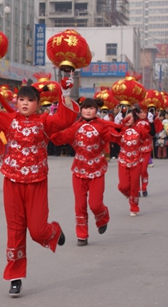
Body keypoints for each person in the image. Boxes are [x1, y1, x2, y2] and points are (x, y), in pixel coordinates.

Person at [0, 71, 78, 297]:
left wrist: (66, 92)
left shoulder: (45, 122)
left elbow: (66, 119)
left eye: (30, 100)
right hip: (12, 181)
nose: (25, 103)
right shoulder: (9, 120)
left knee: (38, 231)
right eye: (22, 99)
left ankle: (53, 231)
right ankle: (15, 276)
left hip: (37, 182)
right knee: (15, 230)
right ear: (16, 101)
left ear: (38, 105)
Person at [50, 98, 114, 246]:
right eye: (85, 108)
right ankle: (82, 235)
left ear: (96, 110)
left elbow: (114, 136)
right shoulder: (74, 127)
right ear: (80, 110)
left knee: (95, 204)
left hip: (97, 170)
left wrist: (126, 128)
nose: (88, 111)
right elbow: (59, 139)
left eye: (91, 108)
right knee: (80, 205)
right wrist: (52, 128)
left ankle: (102, 217)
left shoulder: (102, 126)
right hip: (79, 170)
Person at [110, 106, 152, 216]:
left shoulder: (139, 129)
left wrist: (150, 121)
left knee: (134, 185)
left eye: (130, 117)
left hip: (136, 161)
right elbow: (111, 132)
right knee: (123, 186)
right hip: (123, 161)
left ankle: (134, 206)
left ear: (134, 117)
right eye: (126, 118)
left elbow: (149, 133)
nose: (128, 120)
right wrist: (122, 122)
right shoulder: (120, 131)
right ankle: (127, 193)